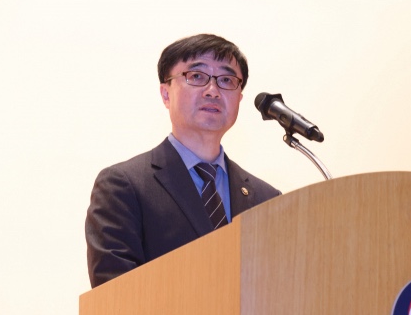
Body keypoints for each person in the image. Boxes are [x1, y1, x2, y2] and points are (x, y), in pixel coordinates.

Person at [85, 34, 281, 288]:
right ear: (166, 94)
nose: (213, 91)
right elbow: (115, 293)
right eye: (196, 76)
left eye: (226, 80)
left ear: (239, 99)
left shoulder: (267, 200)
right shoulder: (124, 186)